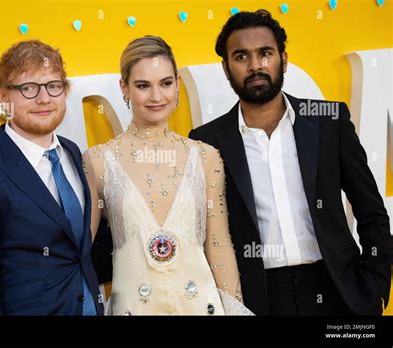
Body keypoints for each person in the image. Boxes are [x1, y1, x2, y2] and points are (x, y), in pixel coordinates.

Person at [189, 9, 393, 315]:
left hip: (339, 289)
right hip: (259, 297)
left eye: (265, 53)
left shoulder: (328, 121)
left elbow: (372, 211)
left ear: (283, 59)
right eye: (241, 56)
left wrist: (374, 287)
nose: (255, 65)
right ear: (226, 68)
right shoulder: (207, 140)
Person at [83, 35, 252, 315]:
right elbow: (80, 252)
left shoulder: (205, 157)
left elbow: (219, 246)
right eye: (142, 86)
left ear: (178, 84)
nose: (156, 96)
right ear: (124, 88)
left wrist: (236, 310)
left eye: (165, 83)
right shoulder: (99, 160)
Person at [0, 40, 103, 315]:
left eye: (53, 86)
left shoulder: (71, 151)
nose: (44, 99)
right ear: (2, 96)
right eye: (28, 88)